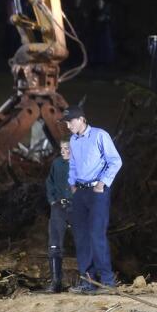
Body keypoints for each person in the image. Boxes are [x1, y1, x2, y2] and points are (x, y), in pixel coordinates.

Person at [62, 105, 122, 292]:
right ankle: (88, 282)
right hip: (80, 192)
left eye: (70, 121)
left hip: (97, 192)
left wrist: (102, 183)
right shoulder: (73, 140)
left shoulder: (99, 135)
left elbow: (115, 161)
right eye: (66, 122)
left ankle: (107, 281)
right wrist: (72, 184)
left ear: (81, 119)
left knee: (97, 235)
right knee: (81, 236)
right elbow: (72, 164)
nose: (68, 126)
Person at [45, 139, 73, 293]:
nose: (63, 151)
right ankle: (56, 282)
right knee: (54, 245)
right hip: (59, 207)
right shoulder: (57, 164)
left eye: (66, 148)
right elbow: (49, 182)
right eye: (61, 148)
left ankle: (90, 281)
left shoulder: (82, 163)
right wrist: (52, 200)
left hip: (77, 207)